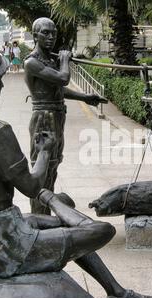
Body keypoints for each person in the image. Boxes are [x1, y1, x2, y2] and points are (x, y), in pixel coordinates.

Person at [0, 42, 152, 298]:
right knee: (100, 231)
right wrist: (44, 151)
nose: (1, 85)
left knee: (52, 224)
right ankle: (56, 203)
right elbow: (32, 186)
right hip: (4, 249)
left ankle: (117, 292)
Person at [24, 17, 107, 215]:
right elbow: (62, 78)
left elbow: (59, 91)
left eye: (53, 33)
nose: (51, 37)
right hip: (43, 118)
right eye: (45, 32)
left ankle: (46, 214)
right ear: (35, 35)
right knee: (41, 170)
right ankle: (38, 218)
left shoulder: (50, 60)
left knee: (53, 165)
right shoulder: (32, 62)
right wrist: (63, 60)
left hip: (57, 116)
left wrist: (85, 97)